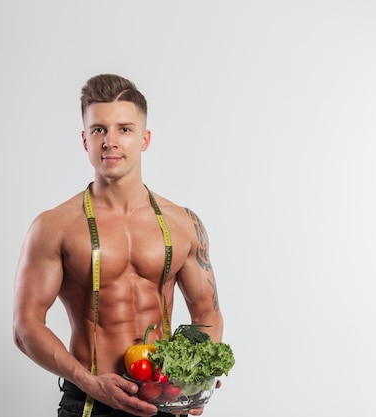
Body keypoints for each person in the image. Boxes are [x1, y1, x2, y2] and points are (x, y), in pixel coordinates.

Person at [13, 74, 224, 417]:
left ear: (145, 138)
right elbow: (26, 326)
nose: (110, 141)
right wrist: (87, 380)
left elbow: (206, 312)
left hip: (165, 401)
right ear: (85, 140)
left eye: (124, 129)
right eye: (99, 130)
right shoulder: (54, 227)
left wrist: (195, 376)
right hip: (89, 401)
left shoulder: (183, 224)